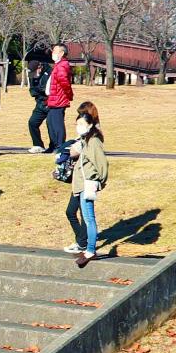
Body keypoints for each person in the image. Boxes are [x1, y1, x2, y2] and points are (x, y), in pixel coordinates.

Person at [65, 100, 108, 267]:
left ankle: (90, 249)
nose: (78, 127)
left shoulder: (93, 142)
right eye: (77, 124)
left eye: (81, 123)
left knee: (89, 218)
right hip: (81, 184)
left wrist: (100, 182)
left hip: (88, 184)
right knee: (85, 216)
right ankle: (87, 247)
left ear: (89, 124)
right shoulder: (85, 140)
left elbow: (102, 164)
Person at [41, 42, 74, 154]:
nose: (53, 53)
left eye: (55, 51)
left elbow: (65, 83)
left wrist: (68, 96)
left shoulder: (62, 65)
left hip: (59, 100)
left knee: (57, 123)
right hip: (54, 99)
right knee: (50, 122)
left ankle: (60, 146)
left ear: (62, 53)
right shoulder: (58, 65)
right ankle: (53, 145)